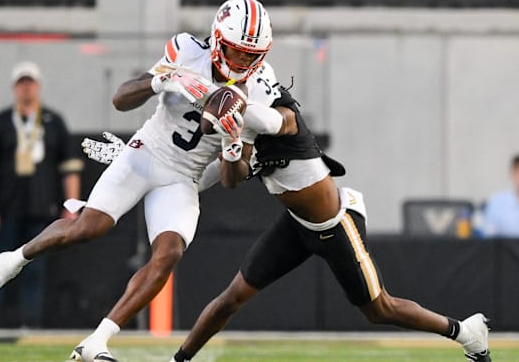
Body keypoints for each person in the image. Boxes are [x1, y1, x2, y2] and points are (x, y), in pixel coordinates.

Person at [84, 84, 492, 362]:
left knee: (379, 308)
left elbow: (270, 121)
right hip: (296, 223)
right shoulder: (243, 130)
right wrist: (145, 160)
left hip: (336, 221)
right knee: (231, 297)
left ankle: (465, 332)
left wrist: (234, 108)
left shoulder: (281, 118)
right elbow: (210, 178)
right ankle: (181, 360)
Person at [0, 0, 281, 362]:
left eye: (251, 54)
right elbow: (121, 99)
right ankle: (15, 259)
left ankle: (97, 341)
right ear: (216, 39)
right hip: (144, 153)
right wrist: (163, 80)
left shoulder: (262, 86)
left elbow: (233, 179)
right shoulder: (186, 50)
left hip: (184, 176)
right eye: (235, 51)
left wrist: (232, 143)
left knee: (169, 254)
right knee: (88, 227)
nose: (242, 61)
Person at [0, 61, 84, 327]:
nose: (26, 88)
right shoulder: (1, 123)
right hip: (7, 208)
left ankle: (30, 323)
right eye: (22, 83)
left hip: (41, 208)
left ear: (38, 86)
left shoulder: (54, 122)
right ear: (15, 87)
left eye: (30, 83)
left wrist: (71, 206)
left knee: (36, 269)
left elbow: (69, 168)